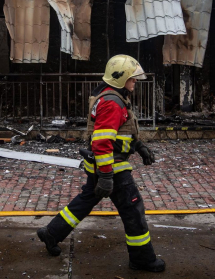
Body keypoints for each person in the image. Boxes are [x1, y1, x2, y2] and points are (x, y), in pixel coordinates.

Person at [37, 55, 165, 272]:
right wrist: (106, 177)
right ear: (121, 78)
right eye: (132, 79)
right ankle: (142, 259)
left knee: (86, 200)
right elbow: (103, 142)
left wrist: (140, 147)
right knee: (133, 210)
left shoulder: (112, 97)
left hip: (104, 166)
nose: (135, 82)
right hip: (113, 168)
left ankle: (51, 233)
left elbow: (122, 130)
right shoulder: (112, 103)